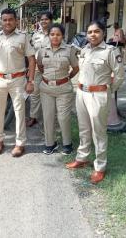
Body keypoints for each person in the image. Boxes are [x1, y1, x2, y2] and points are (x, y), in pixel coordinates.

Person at [66, 21, 125, 184]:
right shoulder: (84, 50)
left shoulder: (110, 51)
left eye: (96, 31)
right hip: (81, 93)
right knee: (84, 129)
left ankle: (100, 167)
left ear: (103, 33)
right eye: (90, 32)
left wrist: (108, 91)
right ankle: (82, 158)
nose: (92, 34)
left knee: (98, 132)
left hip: (98, 95)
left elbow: (119, 75)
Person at [0, 8, 36, 157]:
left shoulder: (23, 37)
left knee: (20, 112)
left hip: (18, 79)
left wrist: (30, 81)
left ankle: (20, 143)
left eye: (10, 19)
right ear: (1, 21)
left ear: (16, 21)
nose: (7, 22)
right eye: (5, 20)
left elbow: (32, 60)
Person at [37, 24, 79, 155]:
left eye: (58, 34)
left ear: (62, 36)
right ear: (48, 35)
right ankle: (50, 143)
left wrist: (66, 78)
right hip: (46, 88)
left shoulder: (69, 50)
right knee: (48, 117)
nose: (55, 37)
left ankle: (67, 143)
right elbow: (40, 65)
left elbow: (76, 68)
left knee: (63, 117)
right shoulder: (42, 50)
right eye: (52, 34)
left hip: (64, 89)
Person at [26, 11, 52, 128]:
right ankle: (33, 117)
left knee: (50, 93)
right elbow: (30, 52)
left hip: (51, 69)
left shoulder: (55, 33)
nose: (43, 21)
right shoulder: (36, 35)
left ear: (50, 21)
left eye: (46, 19)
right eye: (41, 19)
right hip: (36, 68)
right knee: (34, 93)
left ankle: (51, 118)